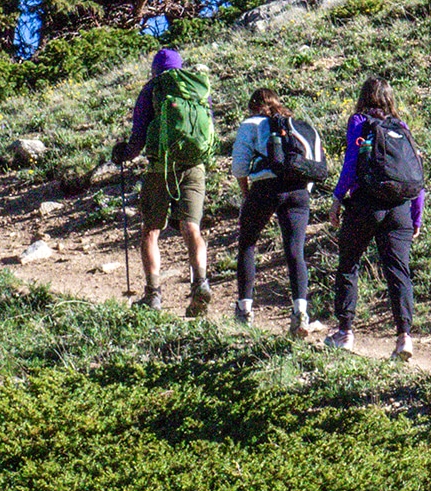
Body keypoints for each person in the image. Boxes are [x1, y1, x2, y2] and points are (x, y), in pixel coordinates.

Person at [328, 76, 425, 360]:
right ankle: (404, 338)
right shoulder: (401, 127)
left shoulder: (359, 122)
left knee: (349, 264)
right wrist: (416, 216)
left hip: (365, 204)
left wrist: (337, 197)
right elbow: (416, 173)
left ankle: (345, 332)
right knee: (399, 272)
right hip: (400, 208)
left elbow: (351, 161)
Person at [112, 48, 211, 312]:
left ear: (155, 69)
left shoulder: (152, 90)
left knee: (151, 231)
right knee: (192, 228)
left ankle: (153, 294)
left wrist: (123, 154)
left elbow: (138, 137)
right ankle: (201, 282)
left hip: (160, 168)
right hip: (194, 166)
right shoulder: (196, 89)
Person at [230, 88, 325, 334]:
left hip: (265, 187)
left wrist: (247, 194)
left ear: (252, 107)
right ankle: (300, 312)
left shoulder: (251, 124)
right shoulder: (298, 125)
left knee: (247, 243)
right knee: (295, 250)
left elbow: (239, 166)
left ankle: (244, 310)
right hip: (299, 189)